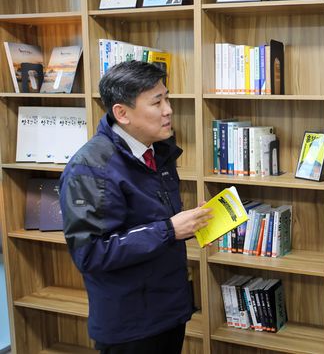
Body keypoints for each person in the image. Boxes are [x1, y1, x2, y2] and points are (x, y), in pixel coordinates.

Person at [59, 61, 212, 354]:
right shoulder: (91, 168)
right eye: (157, 102)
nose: (168, 110)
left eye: (167, 98)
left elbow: (151, 220)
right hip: (129, 323)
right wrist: (169, 230)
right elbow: (90, 253)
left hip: (168, 308)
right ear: (122, 113)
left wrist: (191, 223)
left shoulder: (158, 149)